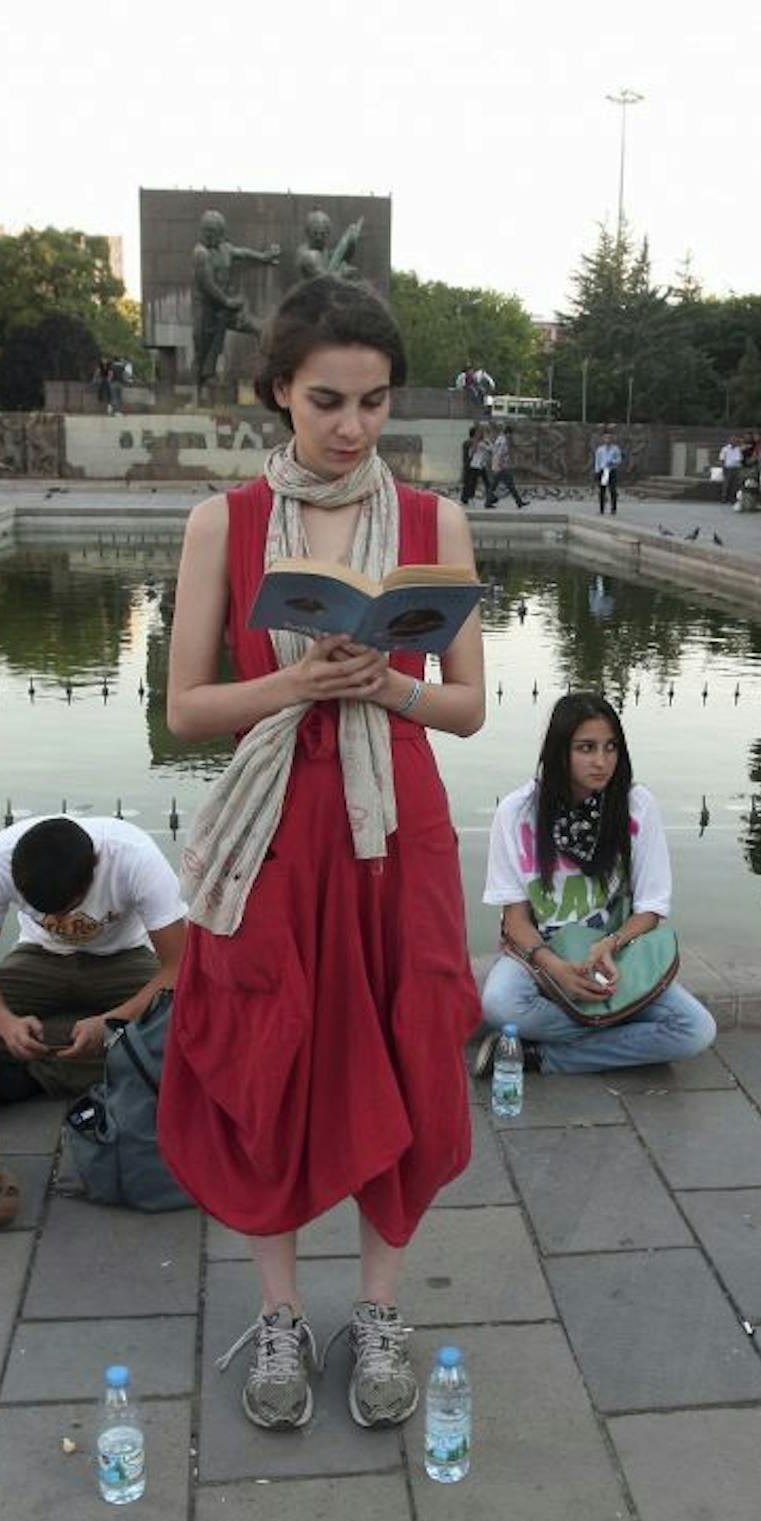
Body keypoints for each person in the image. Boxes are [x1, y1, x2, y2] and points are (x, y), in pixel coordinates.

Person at [159, 275, 484, 1435]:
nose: (352, 428)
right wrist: (293, 683)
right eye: (327, 400)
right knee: (269, 1059)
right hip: (276, 832)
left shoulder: (437, 523)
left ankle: (382, 1309)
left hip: (398, 826)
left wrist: (389, 683)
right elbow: (188, 707)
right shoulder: (223, 524)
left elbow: (469, 709)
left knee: (409, 1048)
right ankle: (285, 1314)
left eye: (376, 403)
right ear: (278, 395)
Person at [478, 692, 717, 1073]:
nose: (601, 762)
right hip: (539, 959)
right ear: (560, 752)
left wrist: (611, 943)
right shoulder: (517, 811)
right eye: (586, 748)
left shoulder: (636, 805)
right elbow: (515, 921)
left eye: (610, 748)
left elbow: (652, 907)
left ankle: (539, 1057)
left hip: (612, 957)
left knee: (696, 1030)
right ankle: (615, 1027)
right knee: (500, 1005)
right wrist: (556, 969)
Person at [0, 814, 188, 1102]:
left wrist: (109, 1021)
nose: (57, 920)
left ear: (93, 870)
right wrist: (6, 1024)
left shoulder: (136, 857)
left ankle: (34, 1077)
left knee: (190, 1020)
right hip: (40, 956)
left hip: (123, 957)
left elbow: (178, 968)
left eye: (66, 908)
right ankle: (104, 1051)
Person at [485, 424, 527, 510]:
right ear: (508, 433)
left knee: (501, 485)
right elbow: (500, 454)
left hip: (499, 466)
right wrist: (500, 466)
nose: (511, 437)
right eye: (510, 434)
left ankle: (519, 502)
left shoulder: (498, 440)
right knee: (503, 485)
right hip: (502, 467)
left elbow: (494, 451)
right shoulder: (503, 441)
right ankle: (519, 502)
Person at [593, 428, 623, 514]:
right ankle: (601, 508)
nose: (607, 440)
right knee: (602, 490)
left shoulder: (615, 449)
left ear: (612, 439)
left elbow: (619, 460)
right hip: (604, 471)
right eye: (605, 438)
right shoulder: (600, 449)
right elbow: (597, 461)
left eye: (609, 438)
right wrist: (597, 471)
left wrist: (613, 462)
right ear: (603, 439)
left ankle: (613, 508)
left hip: (612, 470)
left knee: (613, 489)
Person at [719, 437, 744, 504]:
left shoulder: (738, 449)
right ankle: (724, 497)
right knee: (726, 484)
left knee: (735, 484)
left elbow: (740, 459)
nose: (734, 442)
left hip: (736, 468)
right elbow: (722, 459)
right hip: (728, 468)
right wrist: (723, 468)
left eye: (735, 441)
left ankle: (732, 498)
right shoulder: (725, 449)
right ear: (730, 441)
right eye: (733, 440)